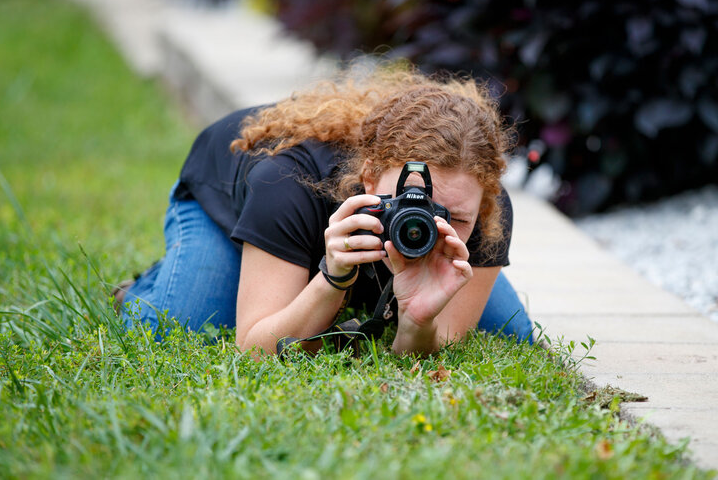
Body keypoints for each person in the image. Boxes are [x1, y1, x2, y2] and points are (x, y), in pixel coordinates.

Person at [116, 62, 533, 357]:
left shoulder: (483, 206)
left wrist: (416, 324)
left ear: (485, 201)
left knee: (512, 332)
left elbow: (432, 344)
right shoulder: (285, 184)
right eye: (408, 202)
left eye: (456, 218)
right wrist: (331, 279)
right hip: (223, 197)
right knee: (178, 325)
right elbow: (254, 347)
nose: (429, 221)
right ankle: (149, 283)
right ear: (369, 179)